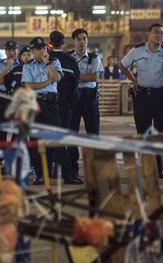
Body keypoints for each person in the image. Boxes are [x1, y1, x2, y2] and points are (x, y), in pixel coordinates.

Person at [120, 23, 163, 178]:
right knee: (143, 133)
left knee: (161, 133)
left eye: (162, 33)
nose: (159, 36)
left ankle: (160, 168)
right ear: (149, 34)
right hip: (142, 97)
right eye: (156, 33)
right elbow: (123, 65)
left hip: (162, 97)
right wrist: (133, 80)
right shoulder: (138, 50)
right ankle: (147, 167)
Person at [22, 37, 82, 185]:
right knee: (35, 140)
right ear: (33, 51)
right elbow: (30, 86)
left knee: (58, 139)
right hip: (35, 103)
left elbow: (57, 77)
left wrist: (47, 63)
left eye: (43, 48)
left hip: (51, 104)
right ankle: (41, 175)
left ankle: (68, 175)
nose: (42, 51)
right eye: (38, 49)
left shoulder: (54, 62)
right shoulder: (28, 66)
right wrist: (47, 82)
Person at [67, 28, 104, 175]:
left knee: (93, 133)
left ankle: (94, 168)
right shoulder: (68, 57)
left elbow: (94, 77)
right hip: (73, 98)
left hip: (89, 97)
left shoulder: (95, 57)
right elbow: (65, 77)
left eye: (84, 38)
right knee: (71, 133)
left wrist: (75, 77)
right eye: (79, 39)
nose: (82, 42)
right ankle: (72, 169)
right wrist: (83, 76)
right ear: (74, 41)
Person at [48, 30, 80, 129]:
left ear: (50, 43)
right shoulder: (70, 61)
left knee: (49, 136)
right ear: (63, 43)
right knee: (63, 135)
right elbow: (75, 84)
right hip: (65, 104)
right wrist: (72, 104)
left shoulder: (45, 59)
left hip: (47, 104)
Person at [0, 40, 20, 141]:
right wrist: (8, 68)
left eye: (14, 50)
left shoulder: (22, 65)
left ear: (18, 50)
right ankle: (0, 156)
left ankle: (16, 154)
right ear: (5, 52)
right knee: (2, 130)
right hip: (3, 98)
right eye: (9, 50)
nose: (12, 53)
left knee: (18, 129)